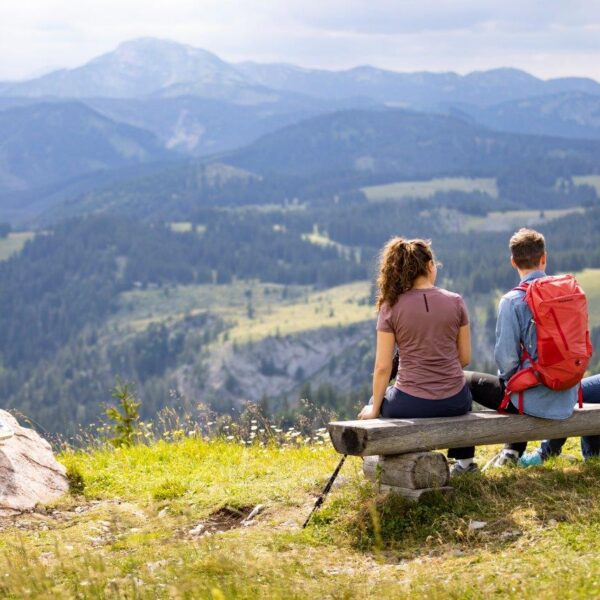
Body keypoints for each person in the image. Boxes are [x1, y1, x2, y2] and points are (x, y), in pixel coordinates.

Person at [473, 228, 600, 467]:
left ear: (513, 262)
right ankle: (592, 459)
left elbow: (507, 361)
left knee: (473, 381)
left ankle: (481, 460)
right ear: (544, 257)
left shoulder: (511, 301)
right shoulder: (570, 292)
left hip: (532, 402)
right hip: (569, 392)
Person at [357, 237, 476, 472]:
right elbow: (464, 358)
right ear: (429, 265)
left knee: (376, 401)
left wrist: (374, 407)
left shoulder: (390, 307)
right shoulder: (456, 301)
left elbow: (382, 367)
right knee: (464, 388)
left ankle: (389, 465)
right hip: (456, 401)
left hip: (410, 403)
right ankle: (465, 464)